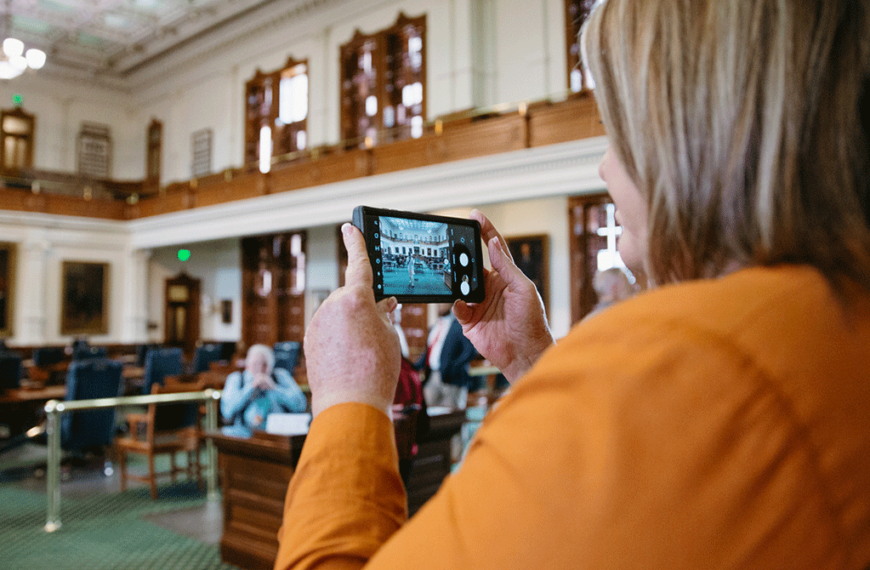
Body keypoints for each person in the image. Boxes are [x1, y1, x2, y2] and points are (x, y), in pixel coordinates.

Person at [275, 0, 870, 568]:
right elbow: (651, 511)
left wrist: (347, 400)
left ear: (692, 135)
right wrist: (533, 359)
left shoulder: (679, 363)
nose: (605, 167)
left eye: (622, 130)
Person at [220, 343, 307, 437]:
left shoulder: (281, 376)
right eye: (255, 364)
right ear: (247, 365)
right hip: (245, 435)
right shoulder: (236, 378)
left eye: (264, 365)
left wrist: (274, 388)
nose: (260, 369)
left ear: (271, 366)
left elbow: (301, 405)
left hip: (278, 436)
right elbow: (227, 412)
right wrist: (250, 387)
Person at [417, 303, 477, 409]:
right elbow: (430, 351)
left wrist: (455, 366)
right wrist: (413, 367)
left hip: (453, 378)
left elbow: (470, 351)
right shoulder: (436, 325)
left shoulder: (459, 325)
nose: (440, 306)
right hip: (434, 375)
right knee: (428, 410)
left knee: (451, 415)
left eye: (443, 303)